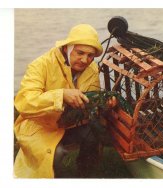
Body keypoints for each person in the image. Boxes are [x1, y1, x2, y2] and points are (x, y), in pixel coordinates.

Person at [14, 24, 115, 178]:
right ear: (68, 48)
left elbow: (92, 101)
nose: (84, 60)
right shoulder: (41, 64)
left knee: (93, 135)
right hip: (39, 126)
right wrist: (61, 95)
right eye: (80, 53)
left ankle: (86, 176)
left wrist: (104, 104)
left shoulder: (92, 68)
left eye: (90, 56)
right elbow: (24, 102)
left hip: (70, 123)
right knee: (57, 153)